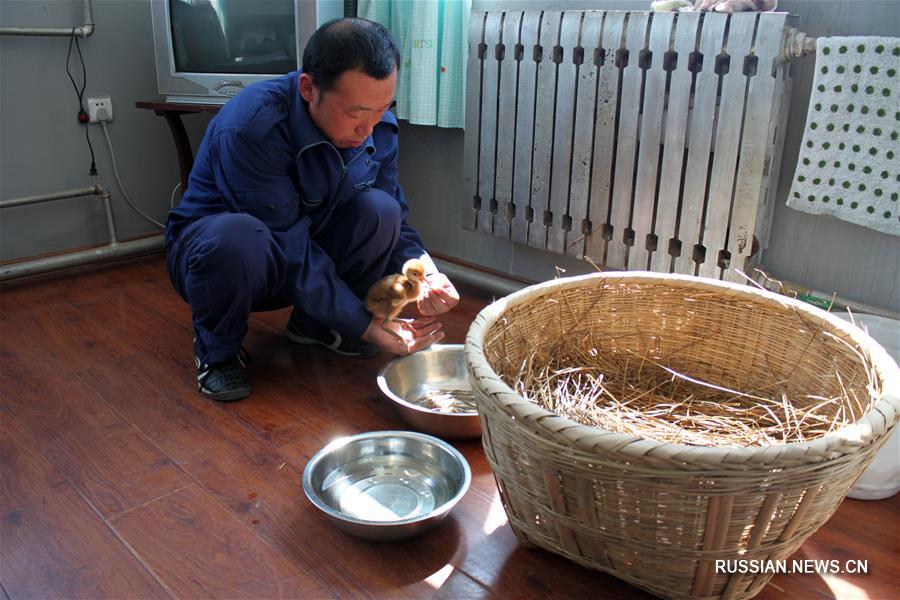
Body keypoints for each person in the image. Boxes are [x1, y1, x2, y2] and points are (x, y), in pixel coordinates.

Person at [165, 18, 459, 402]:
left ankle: (316, 325)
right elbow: (289, 246)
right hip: (228, 258)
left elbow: (396, 222)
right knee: (237, 236)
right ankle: (216, 353)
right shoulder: (252, 126)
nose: (369, 128)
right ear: (308, 88)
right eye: (356, 114)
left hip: (300, 247)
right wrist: (365, 325)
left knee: (380, 209)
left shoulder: (377, 126)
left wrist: (425, 273)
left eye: (382, 108)